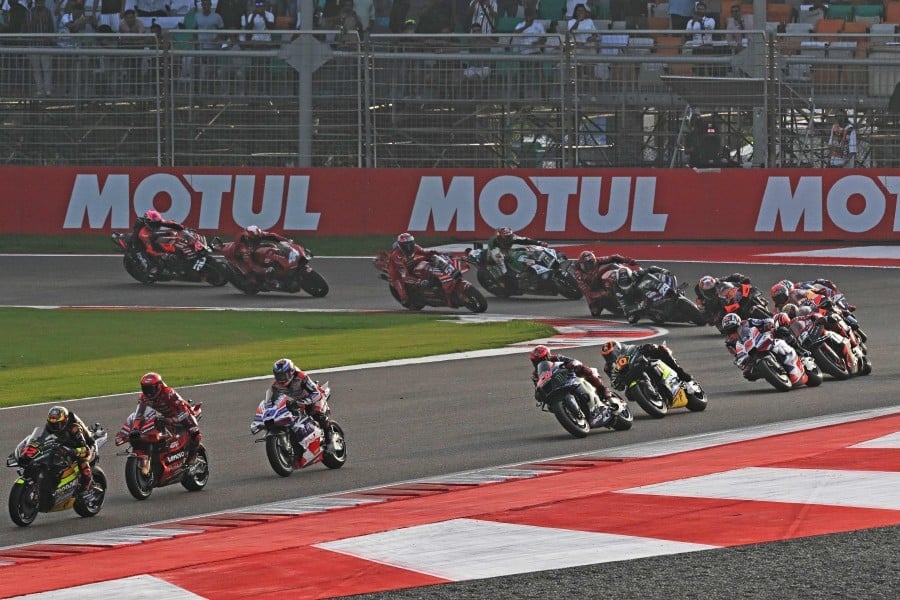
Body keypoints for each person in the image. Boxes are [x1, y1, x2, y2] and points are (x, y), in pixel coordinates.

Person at [529, 344, 614, 427]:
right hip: (555, 389)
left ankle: (603, 389)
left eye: (542, 359)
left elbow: (575, 361)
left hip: (570, 376)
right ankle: (569, 414)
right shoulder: (535, 375)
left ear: (547, 355)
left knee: (584, 370)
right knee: (550, 406)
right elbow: (538, 387)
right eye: (536, 361)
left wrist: (572, 364)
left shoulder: (557, 358)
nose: (539, 362)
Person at [720, 313, 808, 386]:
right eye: (730, 331)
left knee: (781, 330)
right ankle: (772, 372)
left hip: (762, 339)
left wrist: (769, 324)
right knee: (748, 375)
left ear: (739, 324)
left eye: (734, 329)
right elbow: (736, 355)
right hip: (749, 354)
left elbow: (764, 321)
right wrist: (742, 362)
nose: (733, 332)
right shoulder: (729, 342)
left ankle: (800, 349)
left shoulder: (748, 322)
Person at [137, 372, 202, 468]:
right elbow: (140, 413)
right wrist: (136, 425)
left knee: (195, 434)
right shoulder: (143, 397)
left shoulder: (168, 393)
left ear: (159, 386)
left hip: (181, 415)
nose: (148, 392)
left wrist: (173, 419)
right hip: (162, 417)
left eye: (151, 389)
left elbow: (183, 410)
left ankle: (192, 458)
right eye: (145, 389)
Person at [270, 358, 333, 447]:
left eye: (283, 375)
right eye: (278, 376)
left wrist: (304, 402)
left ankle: (330, 436)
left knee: (317, 414)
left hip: (314, 398)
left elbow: (316, 393)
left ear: (291, 372)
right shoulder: (276, 386)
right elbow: (274, 401)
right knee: (288, 420)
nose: (281, 379)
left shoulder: (301, 377)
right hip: (296, 403)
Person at [44, 405, 98, 502]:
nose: (54, 427)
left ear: (64, 421)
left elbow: (86, 450)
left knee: (83, 463)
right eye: (52, 424)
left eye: (57, 424)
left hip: (84, 447)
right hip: (63, 446)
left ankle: (86, 489)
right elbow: (41, 438)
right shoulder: (49, 427)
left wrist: (73, 451)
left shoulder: (74, 429)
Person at [600, 339, 699, 390]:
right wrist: (617, 383)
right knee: (630, 395)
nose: (610, 358)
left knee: (659, 349)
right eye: (607, 357)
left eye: (611, 355)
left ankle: (680, 373)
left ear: (617, 350)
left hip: (643, 365)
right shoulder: (609, 368)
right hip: (632, 380)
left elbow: (642, 348)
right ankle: (649, 395)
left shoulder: (629, 349)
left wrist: (649, 348)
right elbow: (617, 385)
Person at [387, 232, 453, 306]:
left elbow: (425, 252)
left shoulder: (415, 247)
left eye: (410, 244)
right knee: (397, 279)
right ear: (400, 246)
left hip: (411, 263)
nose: (409, 247)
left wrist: (439, 253)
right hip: (397, 269)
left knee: (429, 260)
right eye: (406, 246)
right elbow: (405, 275)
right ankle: (403, 297)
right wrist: (418, 281)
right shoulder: (396, 256)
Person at [572, 250, 638, 316]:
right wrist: (604, 294)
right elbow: (587, 293)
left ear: (594, 261)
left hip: (599, 279)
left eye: (591, 264)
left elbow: (614, 257)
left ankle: (630, 276)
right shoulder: (579, 274)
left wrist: (628, 261)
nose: (588, 267)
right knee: (595, 312)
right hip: (593, 289)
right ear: (580, 263)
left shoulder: (598, 260)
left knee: (613, 265)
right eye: (585, 265)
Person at [25, 0, 56, 98]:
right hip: (33, 44)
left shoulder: (48, 11)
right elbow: (27, 27)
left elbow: (51, 28)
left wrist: (51, 39)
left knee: (47, 69)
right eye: (38, 2)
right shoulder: (29, 12)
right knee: (36, 69)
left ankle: (48, 90)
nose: (40, 3)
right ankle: (39, 90)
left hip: (46, 45)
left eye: (41, 2)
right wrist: (38, 19)